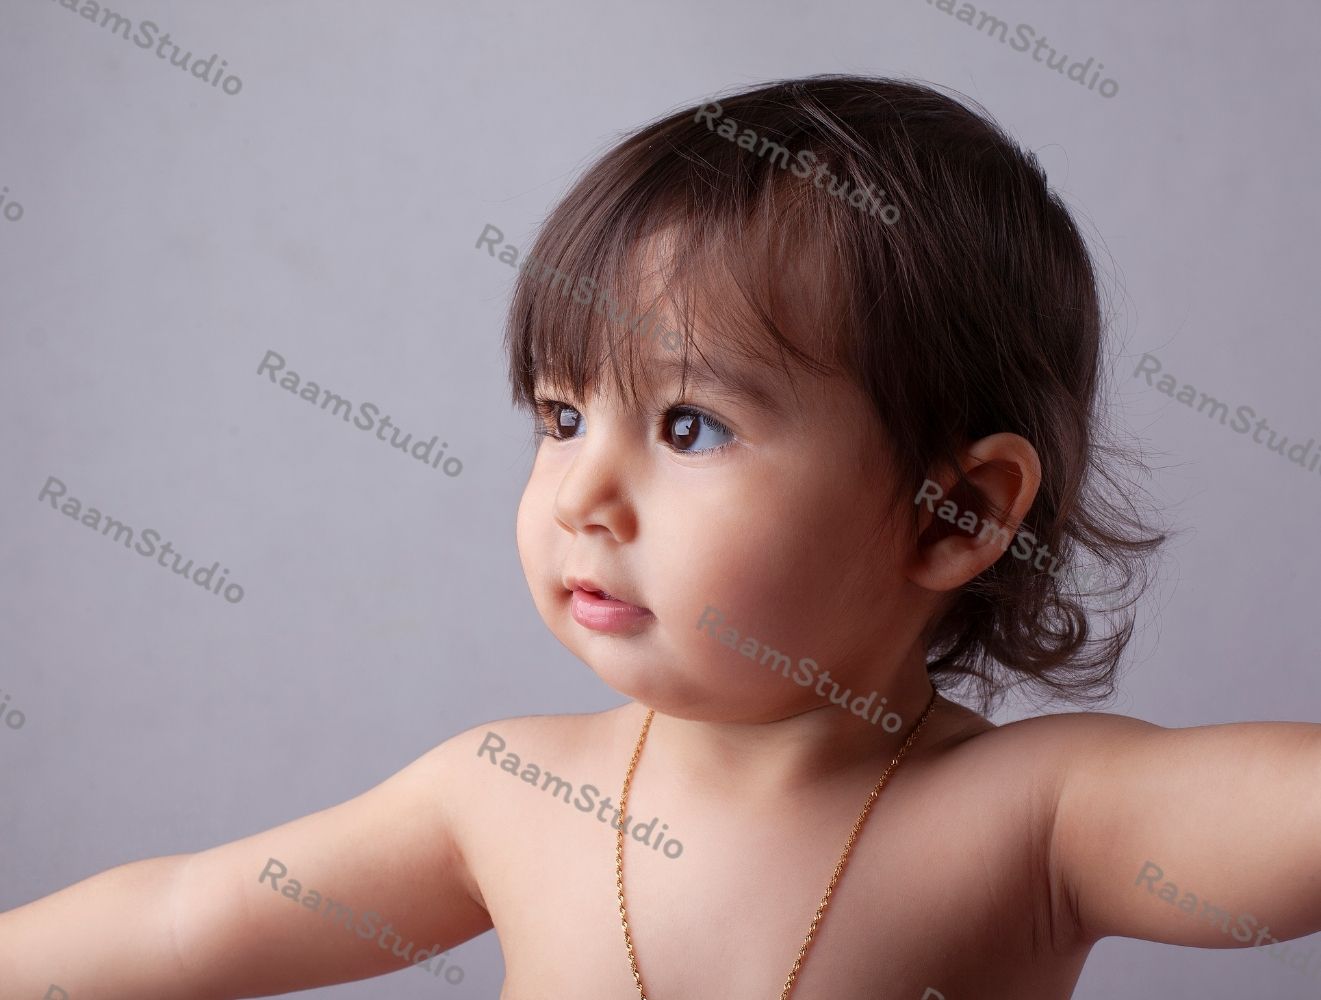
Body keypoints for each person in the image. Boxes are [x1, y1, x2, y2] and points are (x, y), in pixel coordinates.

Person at [5, 74, 1316, 1000]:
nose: (581, 493)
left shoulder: (1035, 819)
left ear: (954, 513)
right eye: (562, 416)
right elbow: (177, 924)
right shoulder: (503, 795)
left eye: (689, 427)